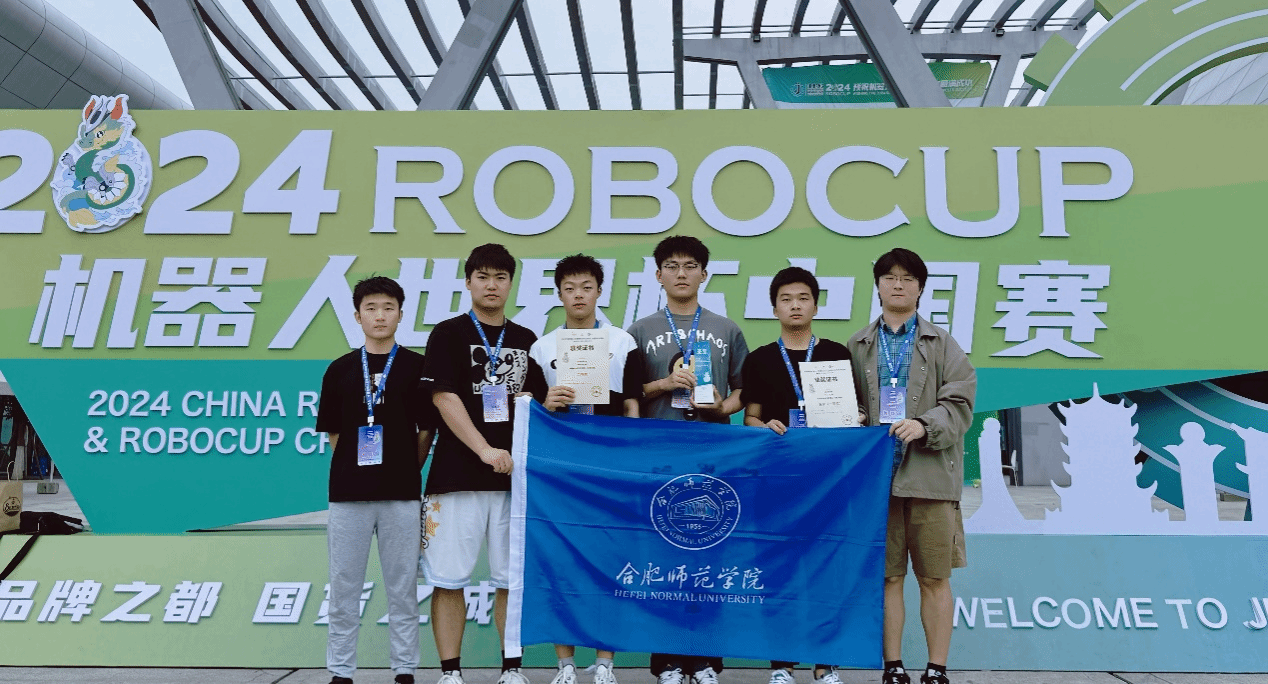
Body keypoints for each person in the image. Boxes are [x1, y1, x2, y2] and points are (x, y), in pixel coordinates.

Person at [845, 249, 976, 684]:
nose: (897, 284)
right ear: (878, 286)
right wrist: (852, 417)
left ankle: (936, 669)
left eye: (907, 278)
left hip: (930, 478)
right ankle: (893, 666)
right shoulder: (858, 344)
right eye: (889, 277)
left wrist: (924, 425)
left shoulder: (944, 344)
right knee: (887, 579)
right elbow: (846, 402)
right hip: (876, 481)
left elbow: (960, 402)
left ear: (920, 288)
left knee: (935, 578)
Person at [420, 244, 548, 684]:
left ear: (511, 283)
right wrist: (484, 450)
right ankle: (450, 672)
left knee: (511, 580)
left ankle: (511, 669)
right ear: (468, 281)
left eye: (500, 277)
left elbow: (538, 405)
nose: (491, 285)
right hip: (456, 477)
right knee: (448, 579)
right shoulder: (448, 334)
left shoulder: (527, 339)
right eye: (483, 277)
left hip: (515, 481)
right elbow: (443, 397)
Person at [627, 235, 749, 684]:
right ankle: (668, 661)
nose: (682, 273)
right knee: (664, 560)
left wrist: (720, 407)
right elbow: (627, 394)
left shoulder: (726, 329)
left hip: (713, 455)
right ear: (658, 275)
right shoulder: (639, 331)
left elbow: (743, 390)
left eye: (691, 265)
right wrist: (663, 384)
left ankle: (707, 660)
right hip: (660, 457)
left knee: (710, 557)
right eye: (672, 266)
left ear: (704, 274)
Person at [739, 267, 867, 684]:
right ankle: (782, 664)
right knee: (779, 571)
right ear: (774, 307)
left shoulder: (836, 354)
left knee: (825, 570)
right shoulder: (759, 359)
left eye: (803, 298)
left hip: (826, 481)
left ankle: (825, 662)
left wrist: (854, 417)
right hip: (776, 482)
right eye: (786, 299)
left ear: (815, 305)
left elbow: (855, 413)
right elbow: (750, 418)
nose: (795, 306)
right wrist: (766, 427)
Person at [528, 254, 643, 684]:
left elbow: (632, 404)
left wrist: (627, 459)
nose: (579, 295)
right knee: (562, 562)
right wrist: (547, 403)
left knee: (608, 562)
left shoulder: (622, 342)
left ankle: (606, 663)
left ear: (599, 291)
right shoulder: (542, 348)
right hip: (561, 470)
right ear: (559, 294)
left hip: (609, 468)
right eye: (570, 288)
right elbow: (531, 411)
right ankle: (566, 664)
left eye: (587, 287)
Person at [315, 276, 434, 684]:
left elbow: (426, 431)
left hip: (401, 494)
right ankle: (341, 671)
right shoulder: (339, 369)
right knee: (343, 587)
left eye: (388, 308)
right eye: (371, 308)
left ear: (400, 314)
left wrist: (403, 468)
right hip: (348, 494)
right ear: (357, 316)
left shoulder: (418, 368)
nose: (380, 316)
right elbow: (334, 433)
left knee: (402, 587)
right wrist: (357, 467)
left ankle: (404, 670)